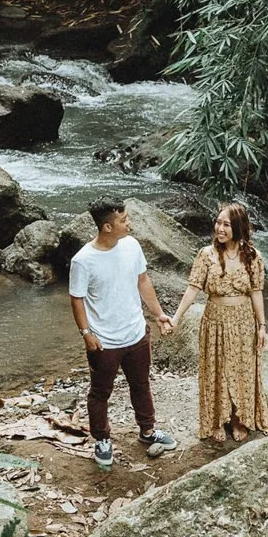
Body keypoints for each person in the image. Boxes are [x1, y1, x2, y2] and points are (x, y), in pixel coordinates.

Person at [69, 199, 178, 469]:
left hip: (136, 333)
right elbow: (76, 299)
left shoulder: (132, 246)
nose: (130, 223)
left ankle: (148, 431)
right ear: (107, 226)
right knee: (100, 392)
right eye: (124, 220)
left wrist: (158, 314)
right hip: (105, 341)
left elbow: (143, 280)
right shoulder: (83, 261)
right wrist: (86, 334)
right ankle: (102, 439)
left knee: (141, 385)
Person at [168, 202, 268, 443]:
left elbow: (256, 291)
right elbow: (193, 288)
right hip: (214, 322)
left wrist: (262, 326)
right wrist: (176, 318)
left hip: (244, 322)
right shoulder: (206, 255)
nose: (219, 228)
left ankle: (238, 418)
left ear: (239, 227)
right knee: (217, 370)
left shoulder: (253, 257)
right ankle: (216, 420)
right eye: (218, 222)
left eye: (226, 224)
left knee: (242, 370)